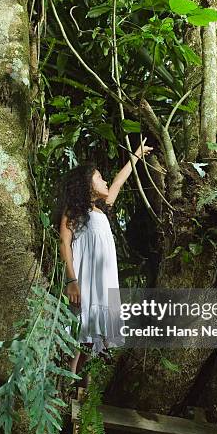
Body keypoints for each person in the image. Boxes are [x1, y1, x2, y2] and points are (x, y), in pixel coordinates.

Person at [59, 138, 153, 386]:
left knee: (91, 344)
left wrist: (136, 155)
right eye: (99, 178)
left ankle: (82, 395)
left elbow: (119, 182)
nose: (104, 182)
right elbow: (64, 243)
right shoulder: (74, 212)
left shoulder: (102, 210)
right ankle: (62, 395)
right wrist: (71, 280)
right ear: (85, 185)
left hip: (103, 284)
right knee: (79, 339)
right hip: (84, 282)